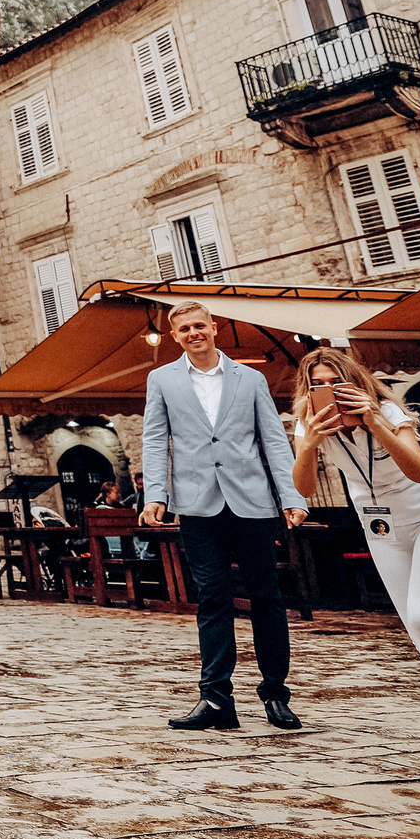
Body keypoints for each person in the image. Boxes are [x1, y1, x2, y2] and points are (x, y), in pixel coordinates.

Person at [292, 347, 420, 787]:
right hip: (383, 529)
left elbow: (418, 470)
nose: (328, 392)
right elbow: (305, 488)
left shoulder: (385, 410)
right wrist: (309, 443)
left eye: (335, 382)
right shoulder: (310, 426)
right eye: (317, 385)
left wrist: (375, 423)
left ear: (353, 382)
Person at [140, 301, 309, 732]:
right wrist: (155, 495)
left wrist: (290, 495)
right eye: (185, 329)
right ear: (175, 336)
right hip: (197, 504)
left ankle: (276, 695)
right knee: (212, 598)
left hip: (252, 501)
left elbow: (273, 439)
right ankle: (216, 699)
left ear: (214, 329)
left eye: (200, 326)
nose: (194, 333)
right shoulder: (162, 379)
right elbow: (156, 441)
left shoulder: (249, 378)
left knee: (266, 597)